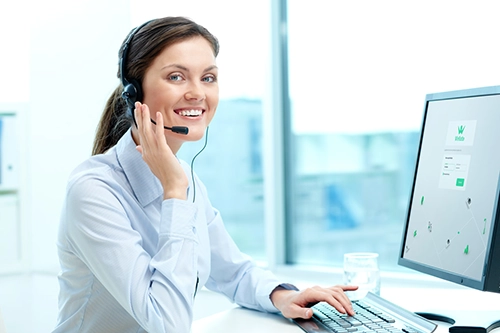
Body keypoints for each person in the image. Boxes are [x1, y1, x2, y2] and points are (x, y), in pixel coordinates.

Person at [53, 16, 357, 333]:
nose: (198, 93)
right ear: (134, 92)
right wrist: (174, 192)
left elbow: (233, 271)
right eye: (176, 77)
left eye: (208, 78)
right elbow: (166, 323)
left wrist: (284, 296)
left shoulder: (185, 179)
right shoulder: (94, 191)